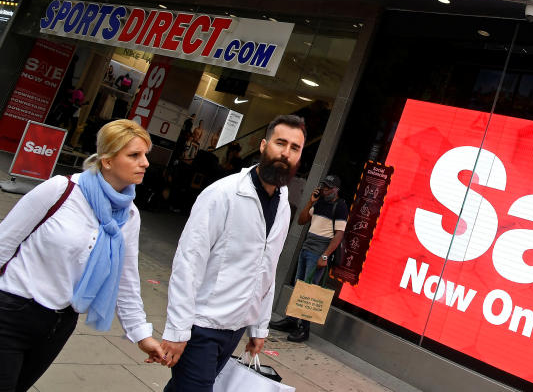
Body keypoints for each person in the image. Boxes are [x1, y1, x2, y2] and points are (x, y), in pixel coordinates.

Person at [0, 120, 165, 391]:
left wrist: (141, 335)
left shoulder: (130, 216)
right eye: (134, 155)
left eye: (145, 155)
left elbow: (126, 280)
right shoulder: (60, 190)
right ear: (108, 161)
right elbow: (4, 242)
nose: (145, 163)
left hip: (58, 324)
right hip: (11, 310)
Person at [159, 115, 306, 392]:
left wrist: (259, 328)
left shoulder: (284, 205)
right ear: (263, 145)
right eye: (280, 143)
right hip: (201, 326)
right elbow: (188, 263)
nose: (285, 153)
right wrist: (177, 331)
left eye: (294, 148)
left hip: (235, 329)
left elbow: (268, 269)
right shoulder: (222, 194)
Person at [269, 173, 347, 342]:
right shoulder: (319, 203)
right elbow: (302, 220)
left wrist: (325, 256)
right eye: (323, 187)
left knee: (309, 289)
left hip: (319, 251)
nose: (324, 190)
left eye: (328, 188)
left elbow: (339, 234)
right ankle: (291, 320)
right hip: (307, 247)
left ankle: (304, 329)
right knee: (299, 285)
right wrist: (311, 201)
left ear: (336, 190)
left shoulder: (340, 206)